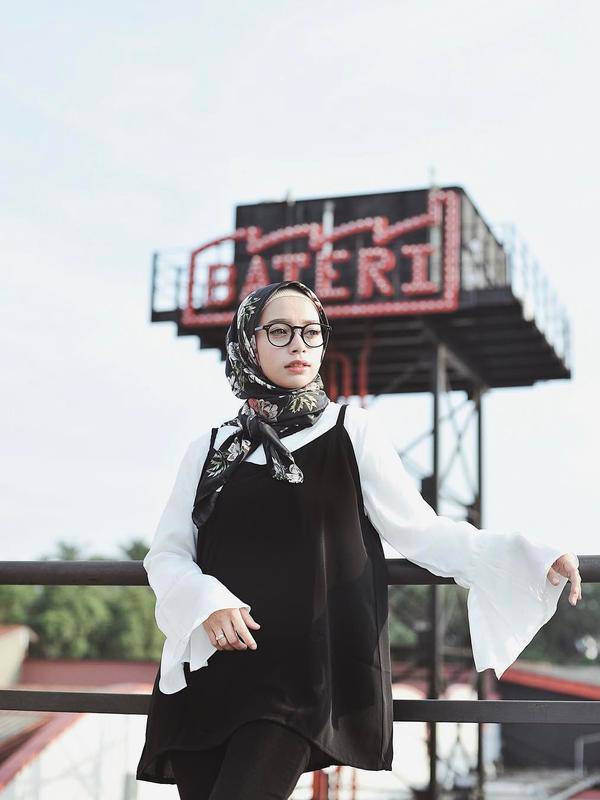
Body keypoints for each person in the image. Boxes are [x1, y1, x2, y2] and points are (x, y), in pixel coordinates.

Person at [136, 279, 582, 798]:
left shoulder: (350, 430)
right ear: (247, 342)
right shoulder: (210, 448)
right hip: (210, 669)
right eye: (279, 331)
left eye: (311, 332)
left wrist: (530, 555)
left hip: (299, 678)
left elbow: (422, 531)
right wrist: (206, 602)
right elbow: (167, 554)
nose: (299, 345)